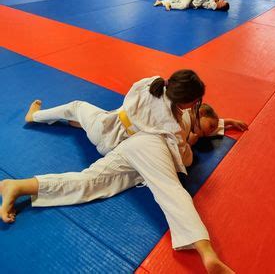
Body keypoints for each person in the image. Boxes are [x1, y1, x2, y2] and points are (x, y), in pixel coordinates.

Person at [0, 70, 236, 273]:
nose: (205, 132)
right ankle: (205, 251)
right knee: (169, 190)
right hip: (122, 141)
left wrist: (223, 124)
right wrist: (191, 145)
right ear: (191, 105)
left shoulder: (151, 86)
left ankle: (21, 180)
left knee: (79, 119)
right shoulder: (172, 127)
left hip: (112, 130)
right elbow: (184, 154)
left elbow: (198, 119)